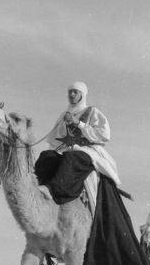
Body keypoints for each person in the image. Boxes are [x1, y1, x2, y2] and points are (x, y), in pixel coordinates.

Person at [39, 81, 120, 213]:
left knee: (73, 157)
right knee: (46, 156)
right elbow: (55, 138)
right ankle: (38, 190)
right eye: (70, 92)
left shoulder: (92, 112)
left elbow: (103, 134)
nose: (71, 94)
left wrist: (79, 124)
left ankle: (53, 190)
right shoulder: (64, 115)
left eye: (75, 92)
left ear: (82, 95)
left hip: (87, 150)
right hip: (66, 149)